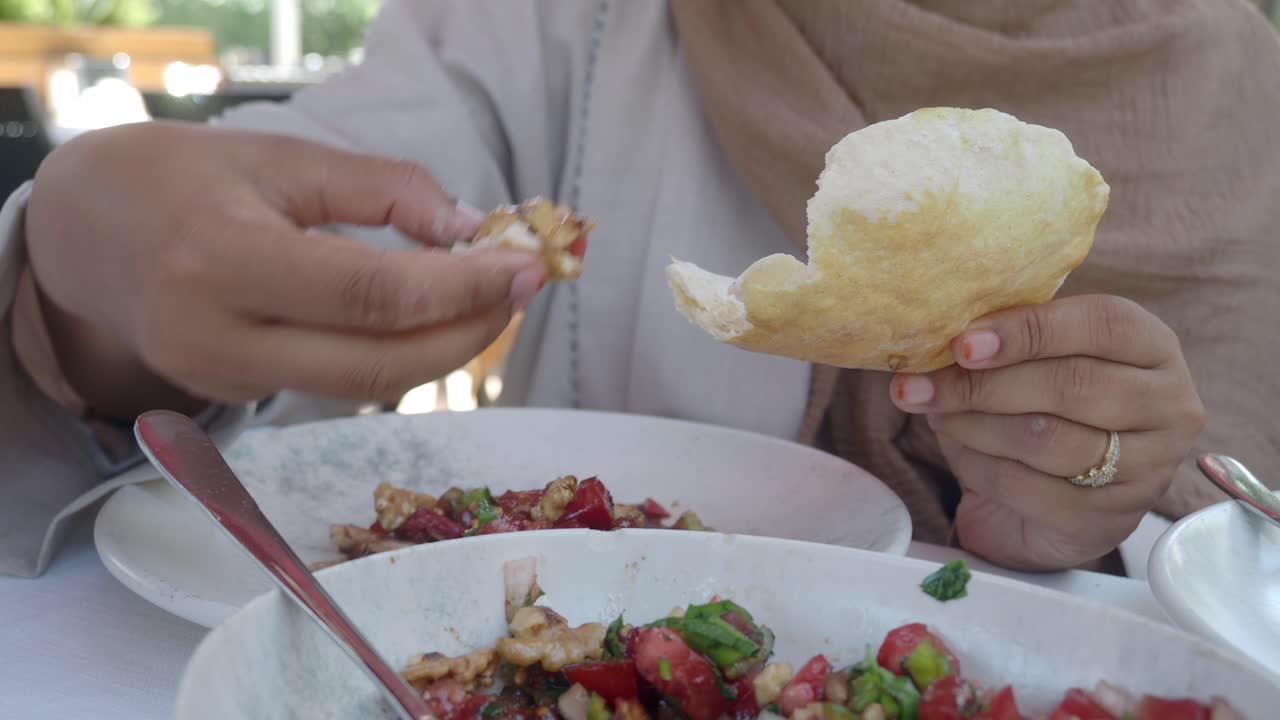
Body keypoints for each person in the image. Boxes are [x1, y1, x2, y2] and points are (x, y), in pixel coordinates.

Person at [2, 0, 1276, 578]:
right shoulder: (584, 24)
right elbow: (318, 200)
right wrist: (89, 287)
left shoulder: (1246, 100)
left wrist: (1096, 528)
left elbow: (1241, 563)